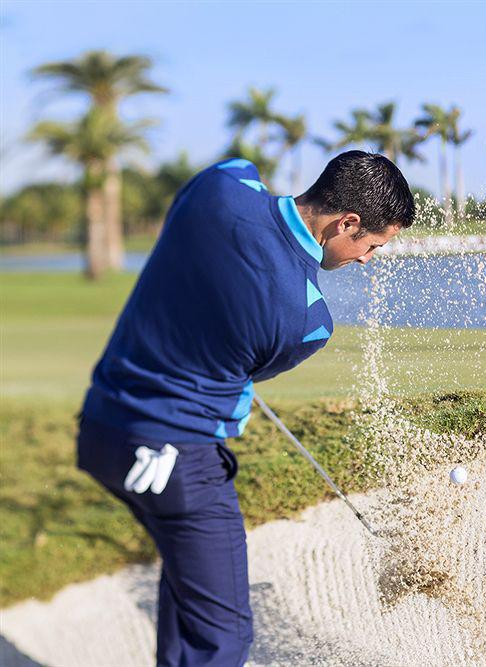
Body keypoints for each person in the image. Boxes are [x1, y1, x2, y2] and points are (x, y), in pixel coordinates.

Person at [76, 150, 415, 665]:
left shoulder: (223, 183)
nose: (368, 258)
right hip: (175, 459)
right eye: (372, 244)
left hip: (101, 429)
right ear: (346, 222)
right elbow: (252, 371)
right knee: (223, 637)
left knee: (191, 584)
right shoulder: (308, 320)